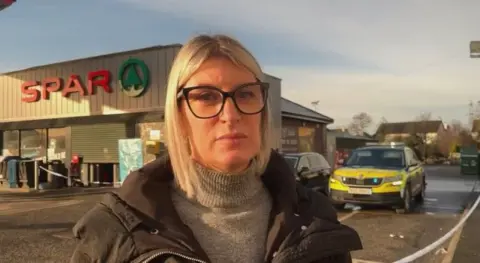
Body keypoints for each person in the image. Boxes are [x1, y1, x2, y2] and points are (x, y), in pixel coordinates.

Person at [70, 34, 362, 263]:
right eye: (207, 97)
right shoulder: (113, 230)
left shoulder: (315, 217)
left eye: (245, 94)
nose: (230, 114)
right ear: (179, 115)